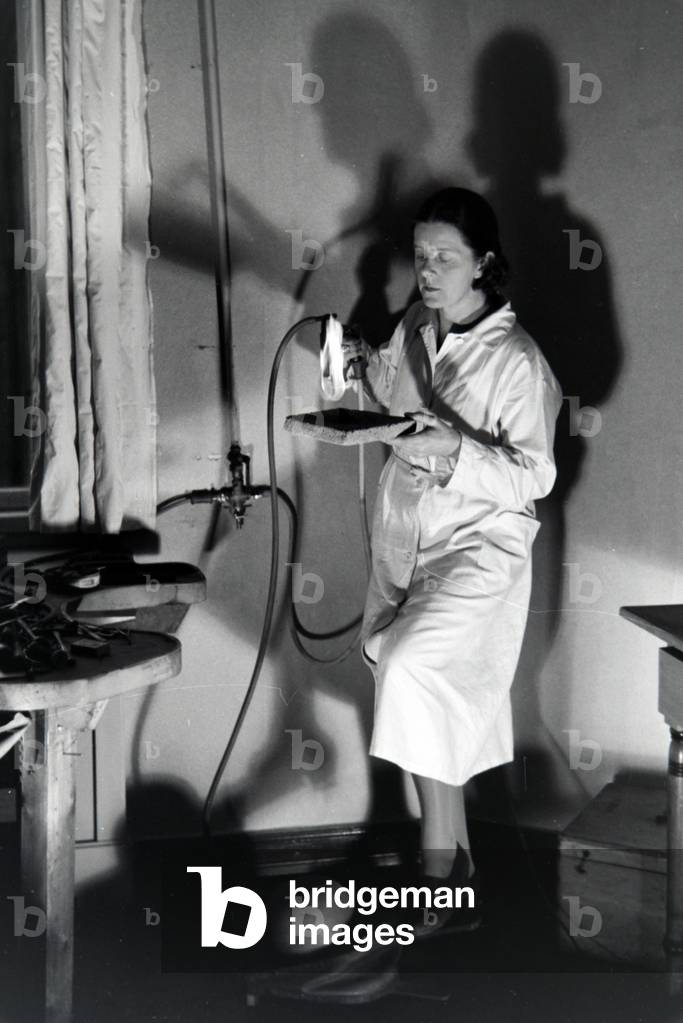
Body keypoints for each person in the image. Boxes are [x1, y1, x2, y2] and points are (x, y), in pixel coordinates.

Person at [343, 186, 563, 929]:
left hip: (478, 546)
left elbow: (534, 475)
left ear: (484, 265)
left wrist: (454, 449)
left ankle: (439, 858)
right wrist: (356, 366)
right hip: (407, 536)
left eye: (445, 257)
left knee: (410, 668)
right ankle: (455, 869)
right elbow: (384, 389)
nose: (428, 270)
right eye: (420, 256)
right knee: (395, 667)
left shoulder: (518, 361)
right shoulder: (414, 326)